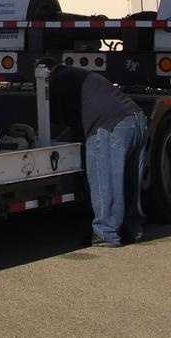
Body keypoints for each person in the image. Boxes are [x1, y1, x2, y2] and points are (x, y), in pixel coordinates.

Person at [48, 65, 148, 247]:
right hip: (137, 120)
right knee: (129, 182)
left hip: (110, 127)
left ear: (47, 73)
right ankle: (132, 230)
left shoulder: (56, 81)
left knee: (104, 181)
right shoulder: (80, 76)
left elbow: (54, 124)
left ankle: (106, 233)